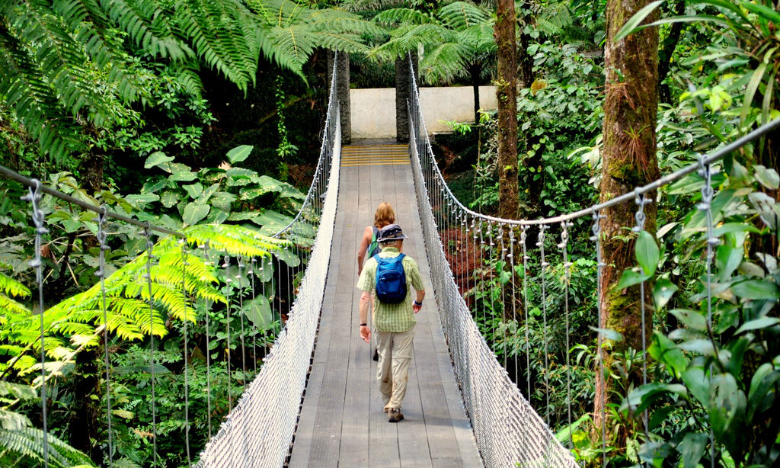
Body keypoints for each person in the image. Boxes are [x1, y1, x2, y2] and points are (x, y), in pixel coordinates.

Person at [356, 224, 425, 423]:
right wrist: (417, 302)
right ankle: (394, 406)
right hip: (404, 323)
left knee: (384, 360)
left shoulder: (372, 263)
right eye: (401, 240)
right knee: (401, 362)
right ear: (397, 243)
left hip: (381, 323)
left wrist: (363, 325)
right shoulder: (409, 262)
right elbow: (421, 290)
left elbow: (364, 297)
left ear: (382, 243)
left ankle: (388, 400)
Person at [357, 202, 401, 361]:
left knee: (376, 310)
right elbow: (399, 256)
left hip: (374, 274)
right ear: (392, 216)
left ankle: (379, 345)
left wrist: (360, 269)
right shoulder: (396, 232)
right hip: (390, 275)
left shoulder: (369, 231)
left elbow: (360, 254)